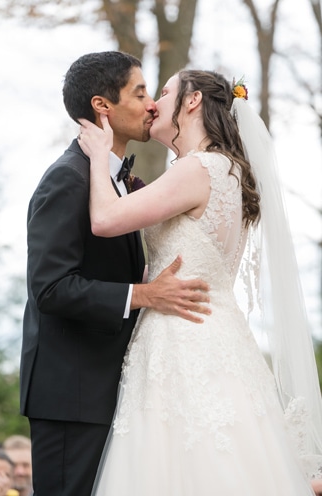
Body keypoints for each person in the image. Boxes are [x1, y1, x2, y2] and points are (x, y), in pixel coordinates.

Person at [77, 70, 322, 492]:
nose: (154, 102)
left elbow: (104, 219)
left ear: (191, 102)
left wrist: (99, 156)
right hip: (221, 337)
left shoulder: (199, 168)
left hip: (182, 340)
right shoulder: (228, 172)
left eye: (166, 92)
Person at [18, 51, 210, 495]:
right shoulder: (67, 180)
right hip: (72, 395)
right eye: (140, 93)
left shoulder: (116, 181)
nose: (151, 106)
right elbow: (50, 287)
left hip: (110, 387)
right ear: (102, 106)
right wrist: (145, 294)